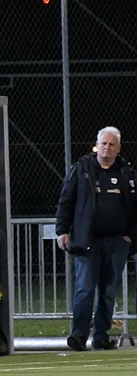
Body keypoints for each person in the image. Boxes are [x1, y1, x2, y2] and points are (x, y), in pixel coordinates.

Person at [56, 127, 137, 351]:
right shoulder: (81, 169)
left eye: (112, 145)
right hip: (87, 240)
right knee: (85, 288)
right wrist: (62, 230)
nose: (106, 148)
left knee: (108, 291)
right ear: (96, 144)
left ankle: (101, 336)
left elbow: (134, 207)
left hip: (116, 242)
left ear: (118, 148)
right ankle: (79, 335)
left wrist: (129, 237)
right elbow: (66, 200)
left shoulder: (126, 173)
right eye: (103, 143)